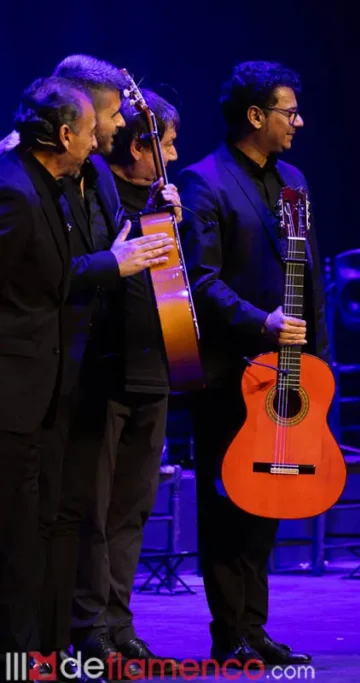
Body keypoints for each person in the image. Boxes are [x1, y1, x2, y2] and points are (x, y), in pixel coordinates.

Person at [178, 60, 323, 666]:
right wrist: (259, 321)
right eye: (290, 111)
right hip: (228, 370)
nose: (299, 121)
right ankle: (229, 633)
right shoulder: (203, 182)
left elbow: (308, 274)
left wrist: (317, 362)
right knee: (227, 501)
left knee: (269, 499)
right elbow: (200, 282)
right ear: (256, 115)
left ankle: (255, 629)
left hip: (286, 372)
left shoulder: (293, 181)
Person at [37, 55, 176, 682]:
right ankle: (79, 633)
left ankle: (113, 627)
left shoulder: (95, 173)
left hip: (130, 359)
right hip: (73, 366)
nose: (118, 125)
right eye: (114, 113)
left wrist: (154, 218)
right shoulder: (36, 175)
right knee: (81, 511)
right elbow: (70, 268)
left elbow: (116, 248)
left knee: (125, 509)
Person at [0, 76, 96, 679]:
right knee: (11, 544)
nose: (95, 143)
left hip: (39, 394)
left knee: (29, 538)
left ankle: (28, 657)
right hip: (11, 396)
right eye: (90, 132)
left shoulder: (45, 186)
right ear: (64, 135)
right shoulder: (13, 191)